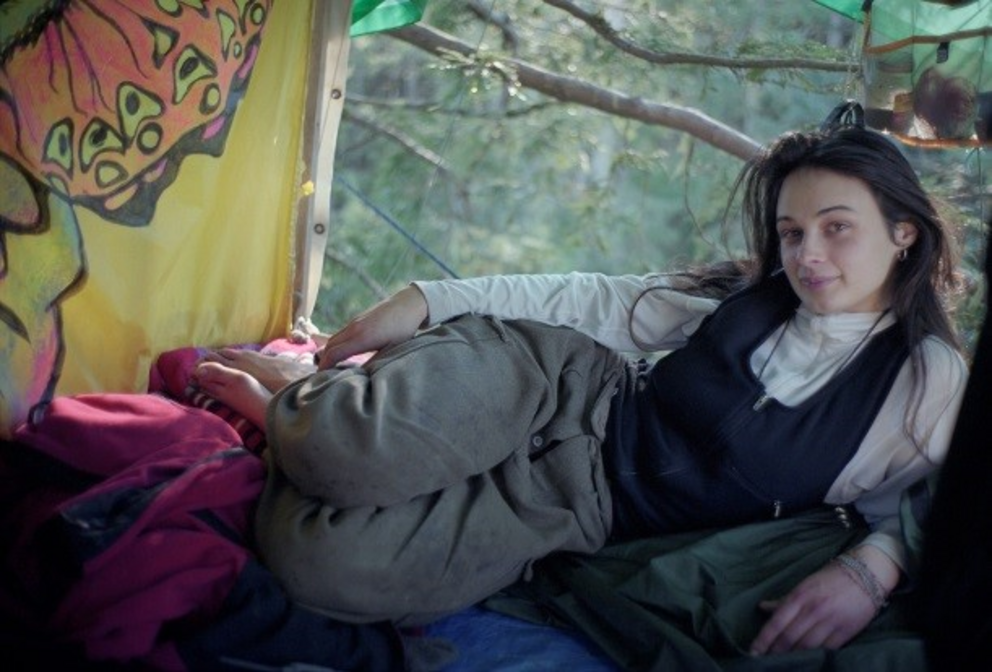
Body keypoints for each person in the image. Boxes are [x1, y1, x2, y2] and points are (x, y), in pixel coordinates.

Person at [194, 102, 968, 656]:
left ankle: (313, 420)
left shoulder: (926, 384)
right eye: (792, 232)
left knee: (323, 570)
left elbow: (925, 513)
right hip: (550, 384)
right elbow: (597, 301)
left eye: (837, 227)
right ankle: (306, 395)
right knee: (342, 452)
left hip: (575, 506)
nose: (807, 255)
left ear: (904, 232)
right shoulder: (748, 295)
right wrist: (427, 300)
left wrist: (869, 574)